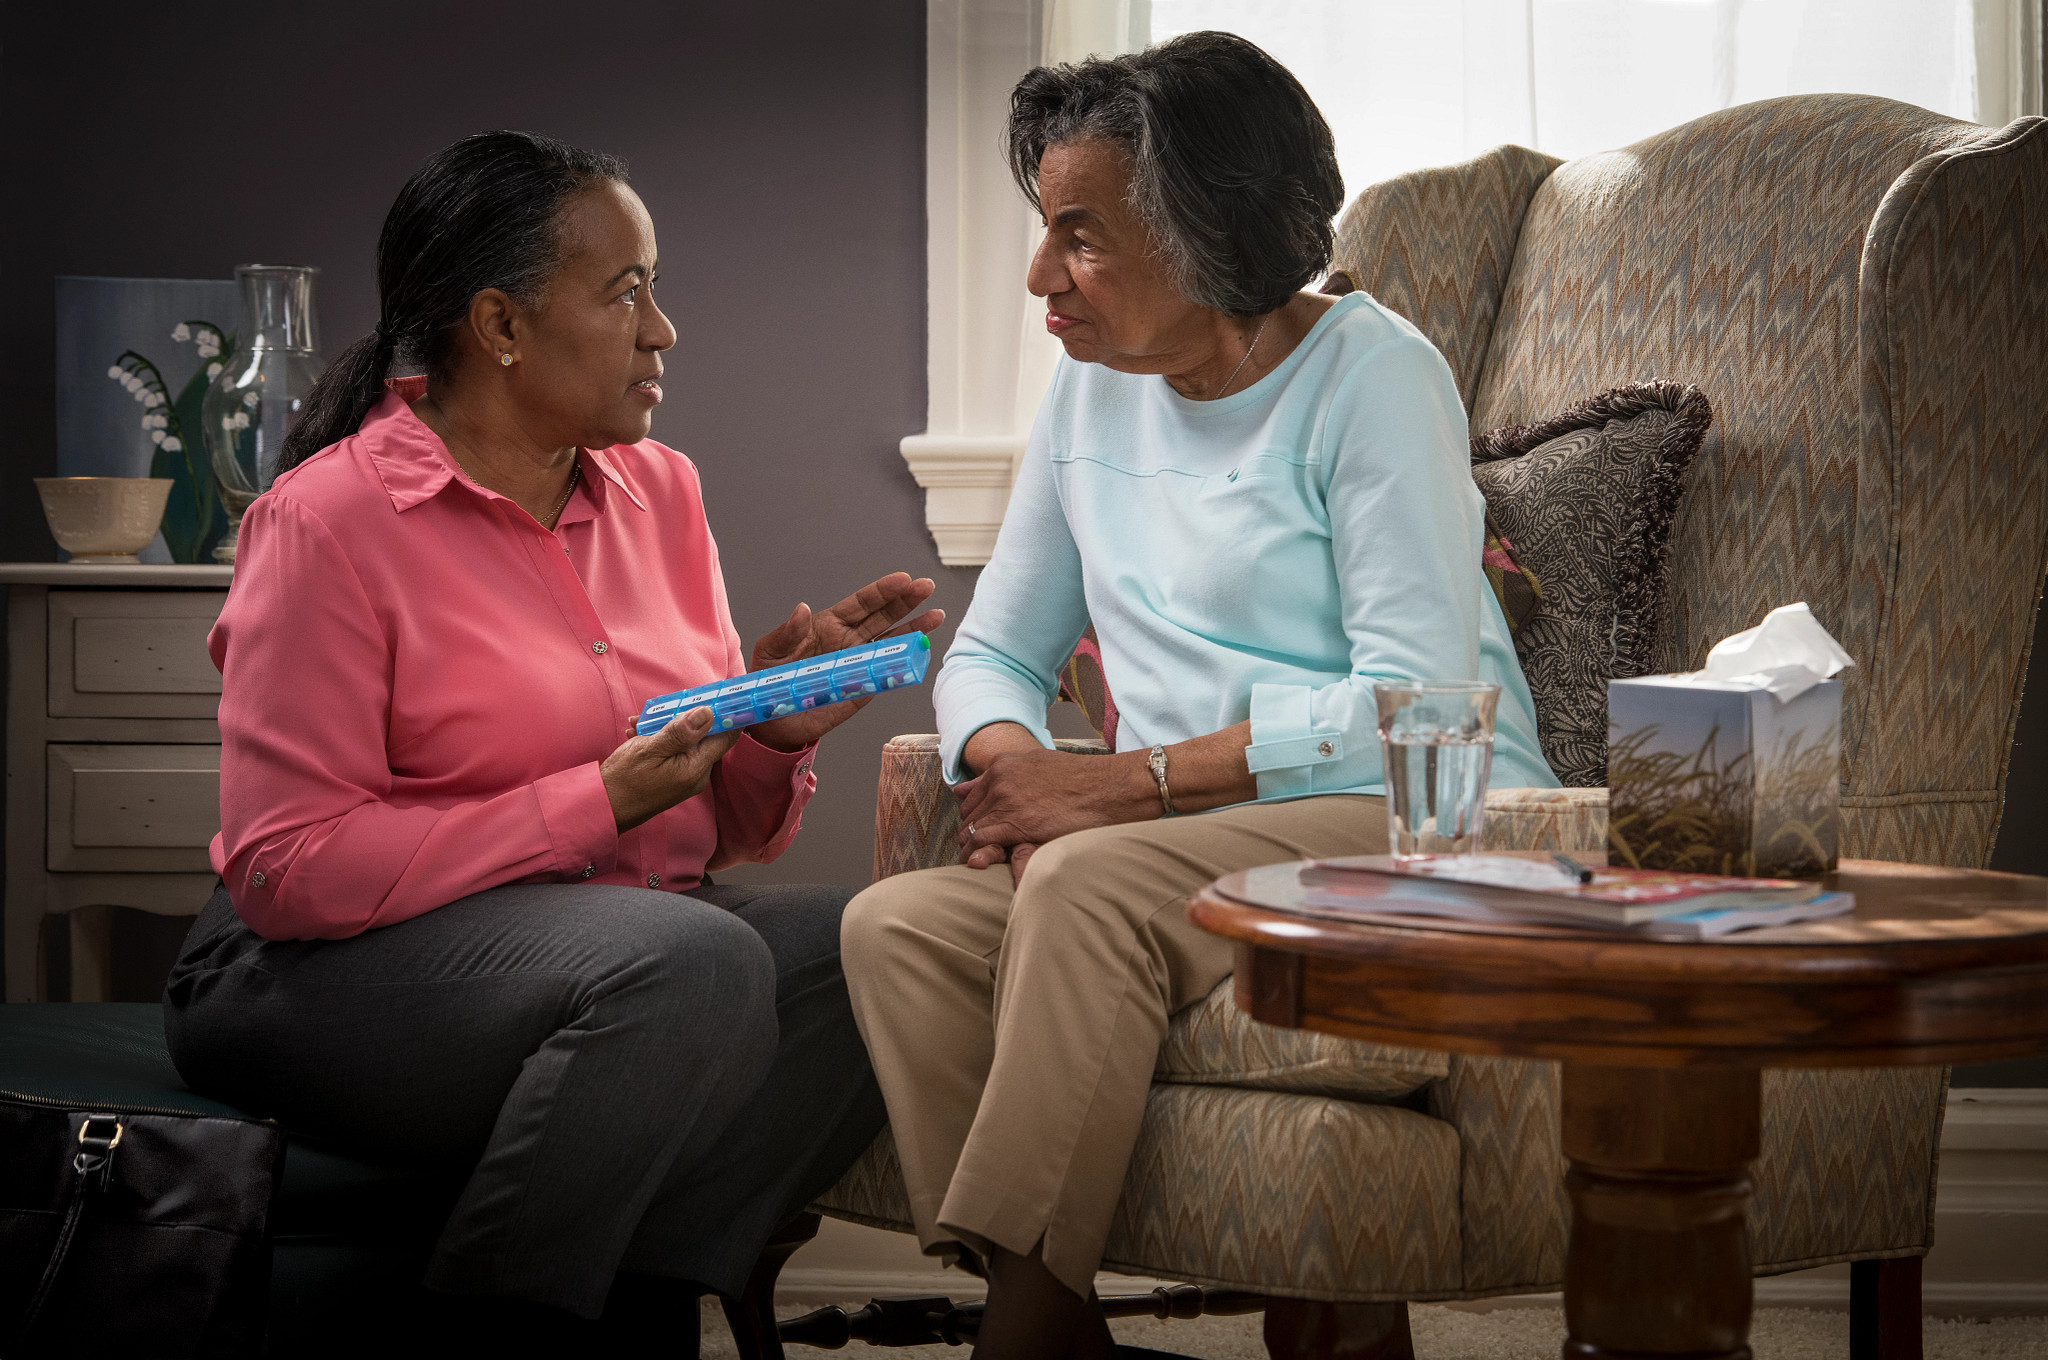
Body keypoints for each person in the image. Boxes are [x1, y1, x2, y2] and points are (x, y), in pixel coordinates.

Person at [839, 32, 1557, 1359]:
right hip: (1184, 845)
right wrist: (1011, 770)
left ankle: (1030, 1329)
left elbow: (1420, 701)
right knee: (900, 931)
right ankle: (1040, 1302)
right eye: (1043, 232)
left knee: (1085, 886)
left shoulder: (1372, 375)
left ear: (1212, 231)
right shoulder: (1087, 397)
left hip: (1422, 816)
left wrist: (1113, 789)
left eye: (1083, 237)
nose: (1041, 277)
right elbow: (991, 655)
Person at [162, 131, 939, 1355]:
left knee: (882, 940)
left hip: (619, 947)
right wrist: (589, 802)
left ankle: (631, 1304)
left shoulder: (660, 490)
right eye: (625, 289)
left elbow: (708, 834)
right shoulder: (326, 523)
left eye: (655, 286)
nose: (662, 328)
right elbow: (284, 867)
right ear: (500, 325)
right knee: (686, 961)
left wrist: (765, 728)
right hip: (308, 975)